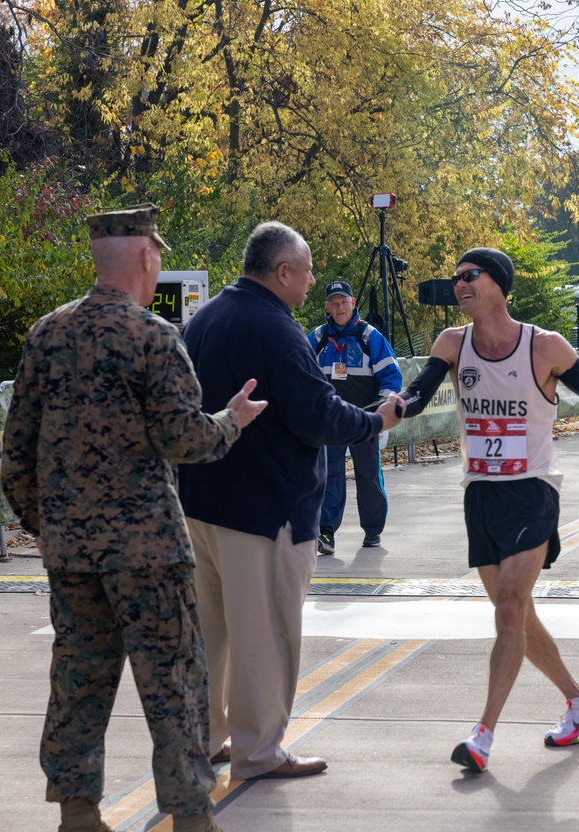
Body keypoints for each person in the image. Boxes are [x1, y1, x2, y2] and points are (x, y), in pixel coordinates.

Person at [0, 204, 267, 832]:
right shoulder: (151, 335)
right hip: (149, 551)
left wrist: (53, 527)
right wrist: (231, 422)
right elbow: (183, 438)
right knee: (173, 684)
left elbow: (17, 453)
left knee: (78, 681)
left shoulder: (47, 333)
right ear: (148, 257)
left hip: (72, 554)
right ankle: (190, 815)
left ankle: (78, 812)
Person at [389, 248, 579, 772]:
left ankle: (482, 735)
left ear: (498, 285)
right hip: (480, 493)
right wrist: (385, 411)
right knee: (519, 617)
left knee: (509, 606)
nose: (459, 284)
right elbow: (415, 395)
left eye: (470, 276)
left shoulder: (544, 346)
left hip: (533, 490)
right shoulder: (451, 343)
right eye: (456, 278)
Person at [178, 221, 404, 782]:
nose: (310, 287)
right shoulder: (278, 329)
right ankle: (258, 752)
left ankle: (204, 738)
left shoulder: (204, 318)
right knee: (265, 636)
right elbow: (317, 415)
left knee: (211, 634)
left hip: (201, 503)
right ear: (282, 272)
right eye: (304, 273)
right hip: (265, 510)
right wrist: (376, 420)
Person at [308, 280, 402, 553]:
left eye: (344, 302)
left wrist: (380, 412)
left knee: (369, 475)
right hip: (331, 422)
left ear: (353, 304)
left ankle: (373, 530)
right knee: (328, 476)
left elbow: (392, 377)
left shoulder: (370, 336)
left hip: (364, 420)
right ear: (327, 307)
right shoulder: (316, 338)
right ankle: (326, 533)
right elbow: (300, 375)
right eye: (334, 303)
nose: (340, 307)